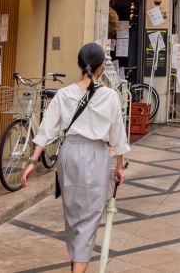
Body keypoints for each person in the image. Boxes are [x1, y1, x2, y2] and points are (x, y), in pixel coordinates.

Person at [22, 42, 129, 273]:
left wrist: (33, 161)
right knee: (90, 218)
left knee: (73, 216)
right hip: (96, 155)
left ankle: (76, 263)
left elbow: (47, 129)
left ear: (80, 65)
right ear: (101, 66)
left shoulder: (64, 94)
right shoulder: (110, 96)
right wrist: (119, 166)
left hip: (69, 155)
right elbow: (118, 135)